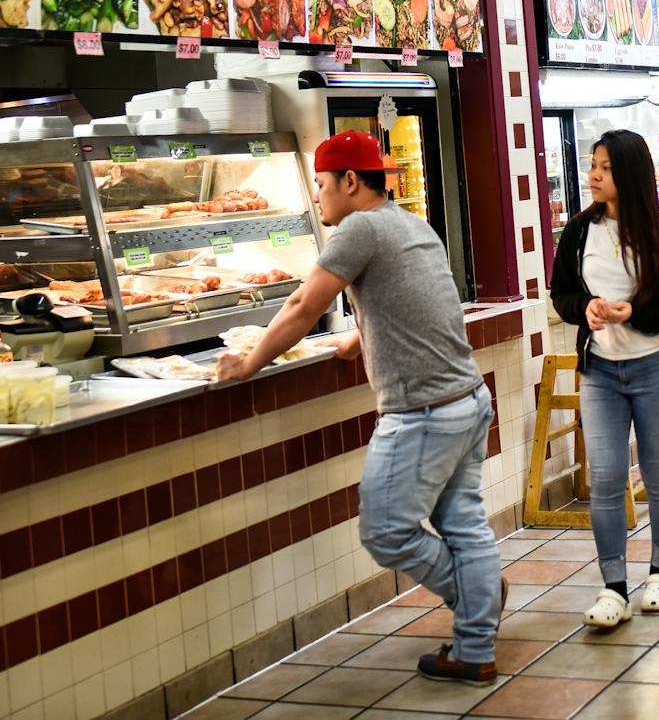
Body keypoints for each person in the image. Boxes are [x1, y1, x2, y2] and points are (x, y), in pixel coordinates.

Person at [214, 132, 503, 686]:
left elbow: (303, 304)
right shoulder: (411, 223)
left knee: (386, 531)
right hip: (467, 398)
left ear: (350, 181)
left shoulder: (359, 228)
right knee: (464, 526)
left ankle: (476, 601)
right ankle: (475, 644)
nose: (317, 197)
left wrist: (248, 363)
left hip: (423, 411)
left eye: (321, 184)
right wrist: (356, 340)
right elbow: (410, 303)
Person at [550, 129, 659, 629]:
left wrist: (633, 312)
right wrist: (586, 308)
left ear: (630, 174)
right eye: (593, 165)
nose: (593, 175)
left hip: (656, 367)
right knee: (607, 478)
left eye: (606, 168)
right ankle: (613, 585)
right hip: (600, 374)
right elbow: (562, 294)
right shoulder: (577, 233)